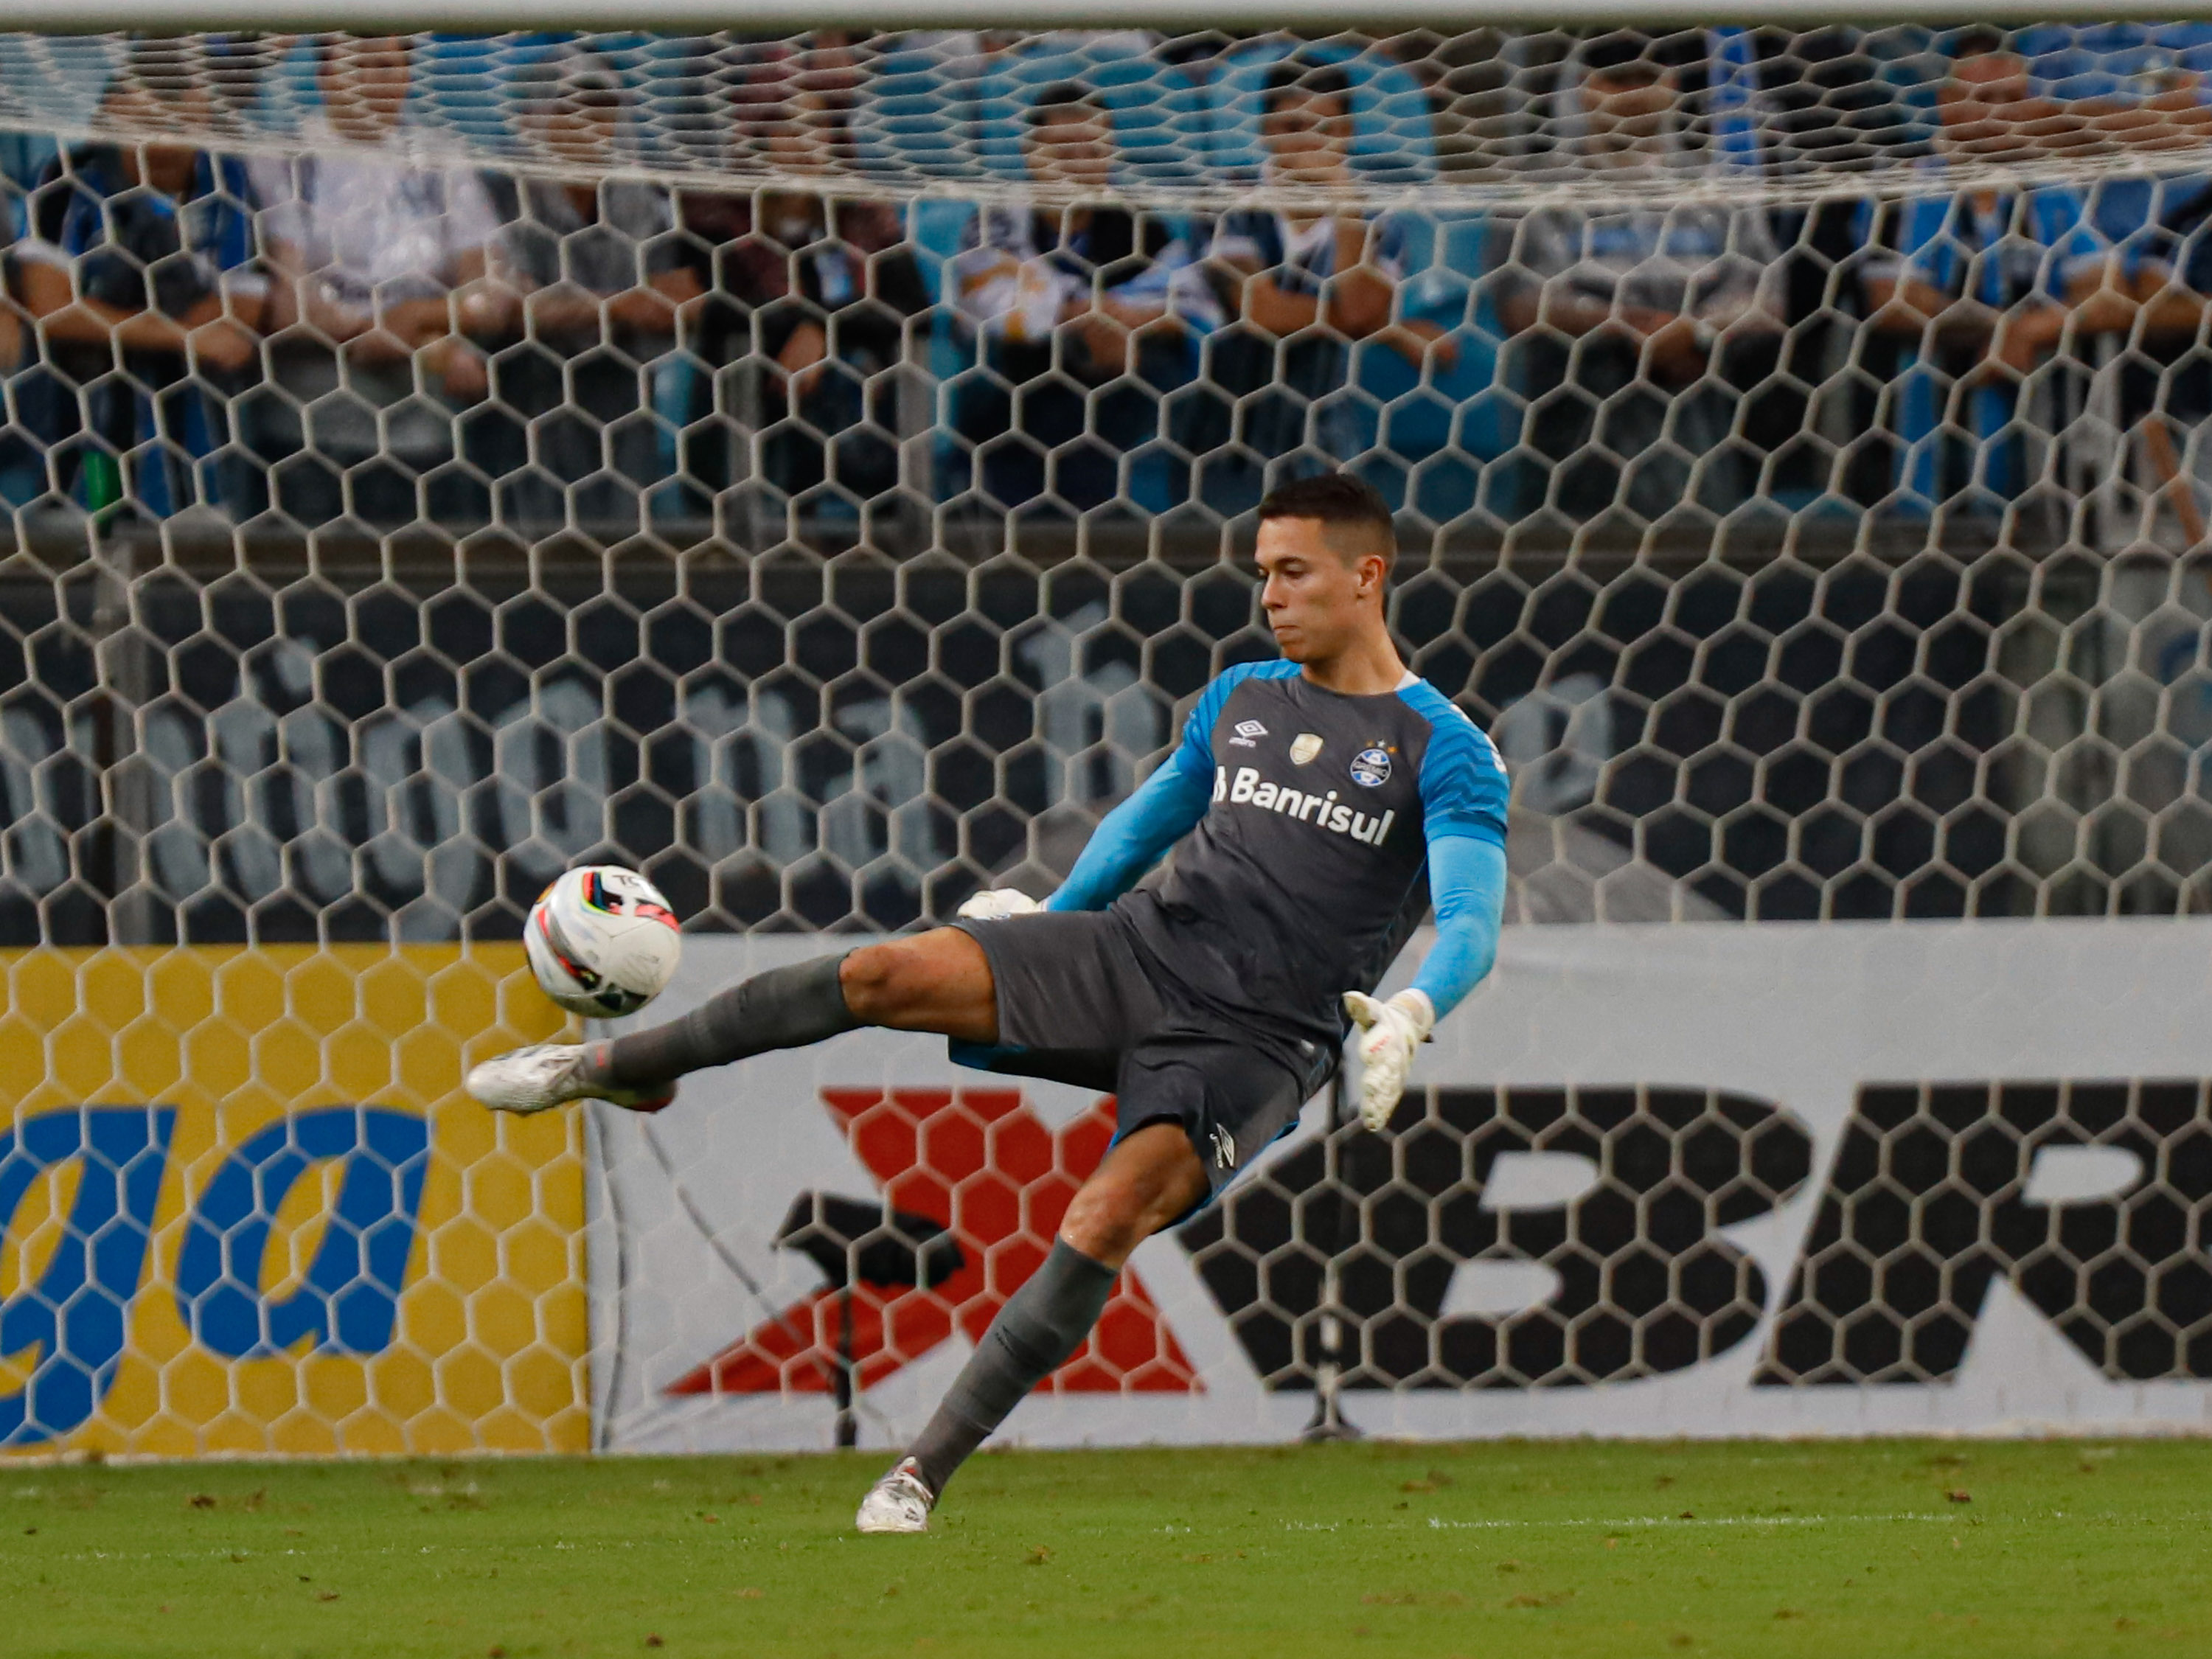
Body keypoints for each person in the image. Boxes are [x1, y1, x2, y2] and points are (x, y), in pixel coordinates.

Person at [464, 470, 1511, 1531]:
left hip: (1255, 1041)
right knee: (884, 972)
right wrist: (1051, 912)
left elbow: (1472, 919)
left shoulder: (1447, 748)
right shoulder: (1242, 698)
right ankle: (611, 1069)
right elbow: (1142, 829)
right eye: (1261, 573)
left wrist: (1415, 1010)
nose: (1269, 595)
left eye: (1293, 572)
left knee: (1107, 1215)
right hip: (1137, 951)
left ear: (1367, 576)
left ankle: (916, 1474)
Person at [1493, 38, 1784, 522]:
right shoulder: (1538, 189)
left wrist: (1696, 332)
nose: (1630, 92)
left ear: (1671, 84)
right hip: (1574, 445)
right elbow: (1522, 302)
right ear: (1584, 87)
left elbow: (1767, 299)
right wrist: (1625, 326)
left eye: (1643, 77)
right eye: (1613, 79)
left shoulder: (1717, 187)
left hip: (1703, 441)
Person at [245, 35, 509, 527]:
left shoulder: (440, 158)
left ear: (409, 76)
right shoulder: (284, 157)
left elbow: (490, 292)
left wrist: (416, 321)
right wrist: (426, 346)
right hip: (309, 431)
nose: (375, 76)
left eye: (389, 64)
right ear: (324, 73)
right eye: (359, 62)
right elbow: (291, 307)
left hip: (426, 432)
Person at [1189, 60, 1453, 514]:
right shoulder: (1227, 201)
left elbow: (1360, 309)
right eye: (1292, 125)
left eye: (1324, 127)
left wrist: (1346, 208)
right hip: (1227, 438)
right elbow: (1262, 313)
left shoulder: (1376, 218)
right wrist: (1387, 329)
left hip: (1325, 441)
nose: (1308, 140)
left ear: (1347, 132)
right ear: (1265, 131)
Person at [14, 44, 262, 517]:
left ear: (207, 105)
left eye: (179, 90)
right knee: (92, 545)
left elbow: (243, 308)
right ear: (111, 107)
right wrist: (183, 335)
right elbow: (52, 306)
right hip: (87, 424)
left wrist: (123, 324)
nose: (163, 108)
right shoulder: (66, 180)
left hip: (198, 437)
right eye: (147, 89)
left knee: (197, 568)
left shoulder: (228, 180)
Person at [950, 82, 1211, 515]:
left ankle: (1104, 518)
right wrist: (1085, 317)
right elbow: (991, 302)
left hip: (1112, 382)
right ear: (1030, 154)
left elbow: (1190, 305)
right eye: (1062, 151)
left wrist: (1131, 324)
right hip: (1019, 380)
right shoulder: (997, 220)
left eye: (1092, 151)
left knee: (1161, 366)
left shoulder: (1140, 228)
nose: (1079, 165)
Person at [486, 58, 706, 532]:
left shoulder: (640, 201)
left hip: (622, 397)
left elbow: (676, 298)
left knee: (621, 542)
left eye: (603, 109)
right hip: (529, 396)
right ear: (541, 115)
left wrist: (591, 308)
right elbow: (513, 309)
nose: (591, 124)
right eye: (572, 108)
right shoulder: (507, 195)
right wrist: (621, 305)